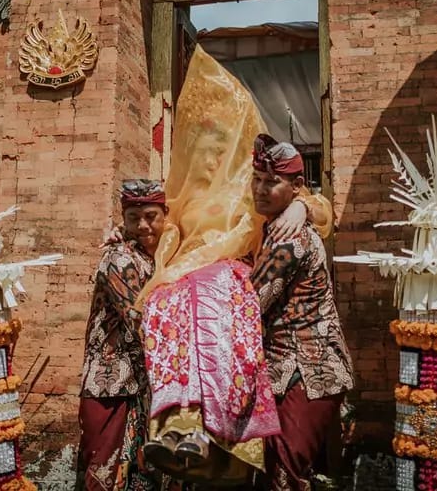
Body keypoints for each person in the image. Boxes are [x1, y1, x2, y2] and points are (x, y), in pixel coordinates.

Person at [135, 46, 334, 486]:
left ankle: (220, 435)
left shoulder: (254, 195)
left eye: (219, 147)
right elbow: (156, 234)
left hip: (235, 295)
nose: (208, 159)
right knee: (172, 312)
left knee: (215, 309)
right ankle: (178, 429)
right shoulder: (183, 201)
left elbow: (321, 213)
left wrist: (304, 205)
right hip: (192, 294)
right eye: (201, 147)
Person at [249, 134, 355, 490]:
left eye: (271, 182)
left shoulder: (289, 236)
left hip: (310, 370)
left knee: (285, 474)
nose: (260, 189)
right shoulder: (273, 227)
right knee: (281, 473)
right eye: (257, 179)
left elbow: (253, 299)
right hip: (288, 371)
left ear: (296, 187)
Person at [77, 179, 168, 491]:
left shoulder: (157, 257)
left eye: (151, 216)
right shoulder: (119, 259)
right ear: (123, 219)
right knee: (102, 476)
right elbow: (140, 320)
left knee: (139, 477)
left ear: (165, 215)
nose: (142, 225)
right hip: (110, 387)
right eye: (133, 218)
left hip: (140, 387)